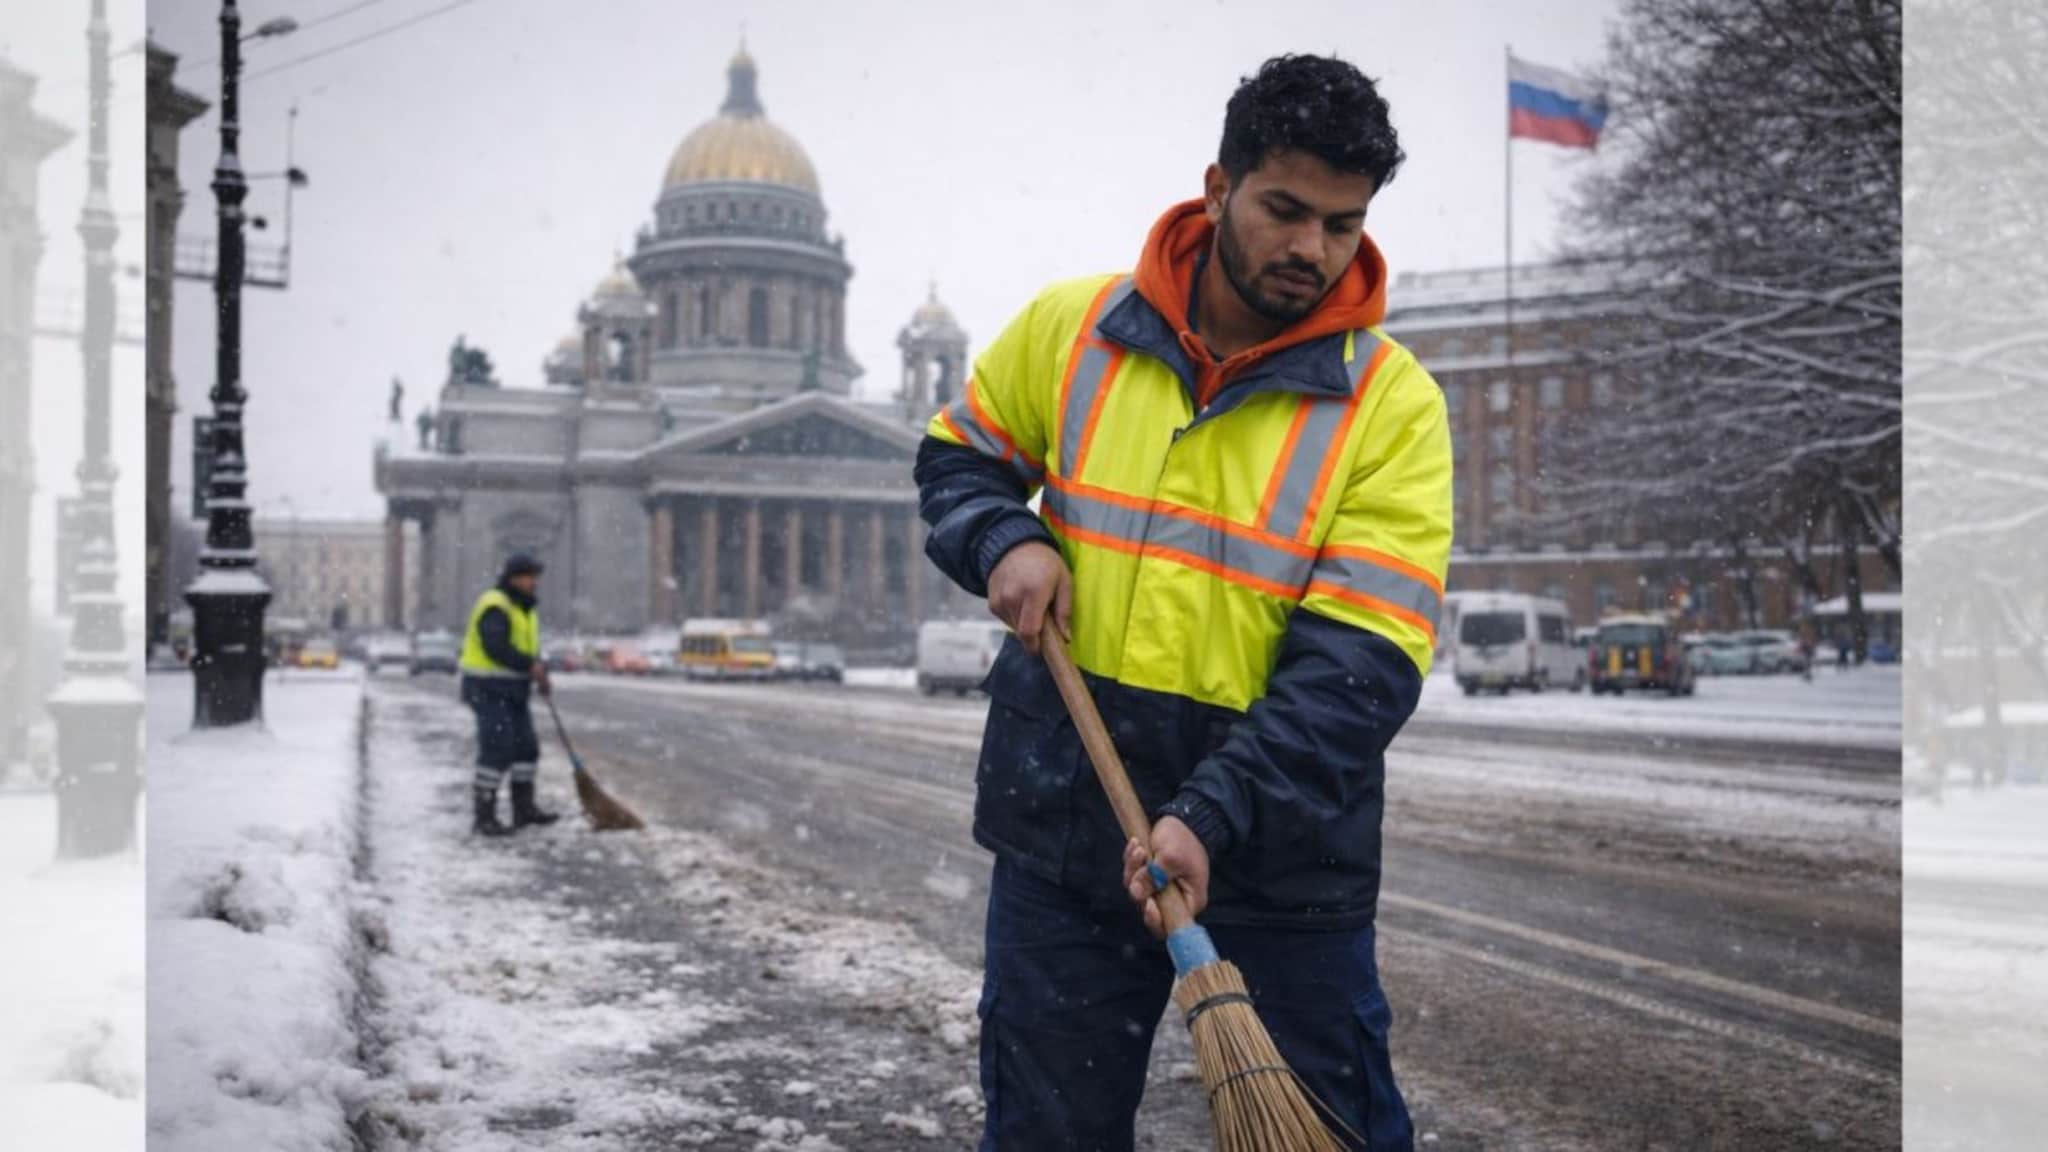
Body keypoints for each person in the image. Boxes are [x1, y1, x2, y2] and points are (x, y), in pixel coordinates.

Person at [913, 54, 1448, 1152]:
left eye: (1341, 224)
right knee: (1047, 1133)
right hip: (1070, 819)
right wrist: (1002, 534)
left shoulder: (1391, 406)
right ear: (1216, 188)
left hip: (1278, 847)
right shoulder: (1073, 329)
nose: (1311, 248)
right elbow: (956, 460)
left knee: (1328, 1133)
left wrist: (1209, 813)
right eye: (1283, 210)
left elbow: (1361, 670)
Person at [458, 553, 559, 836]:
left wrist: (539, 673)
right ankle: (484, 816)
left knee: (526, 749)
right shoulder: (495, 605)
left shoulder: (524, 608)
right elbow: (495, 647)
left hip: (513, 690)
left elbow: (526, 648)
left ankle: (524, 810)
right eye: (529, 577)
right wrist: (530, 665)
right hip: (487, 689)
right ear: (515, 578)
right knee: (497, 748)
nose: (534, 583)